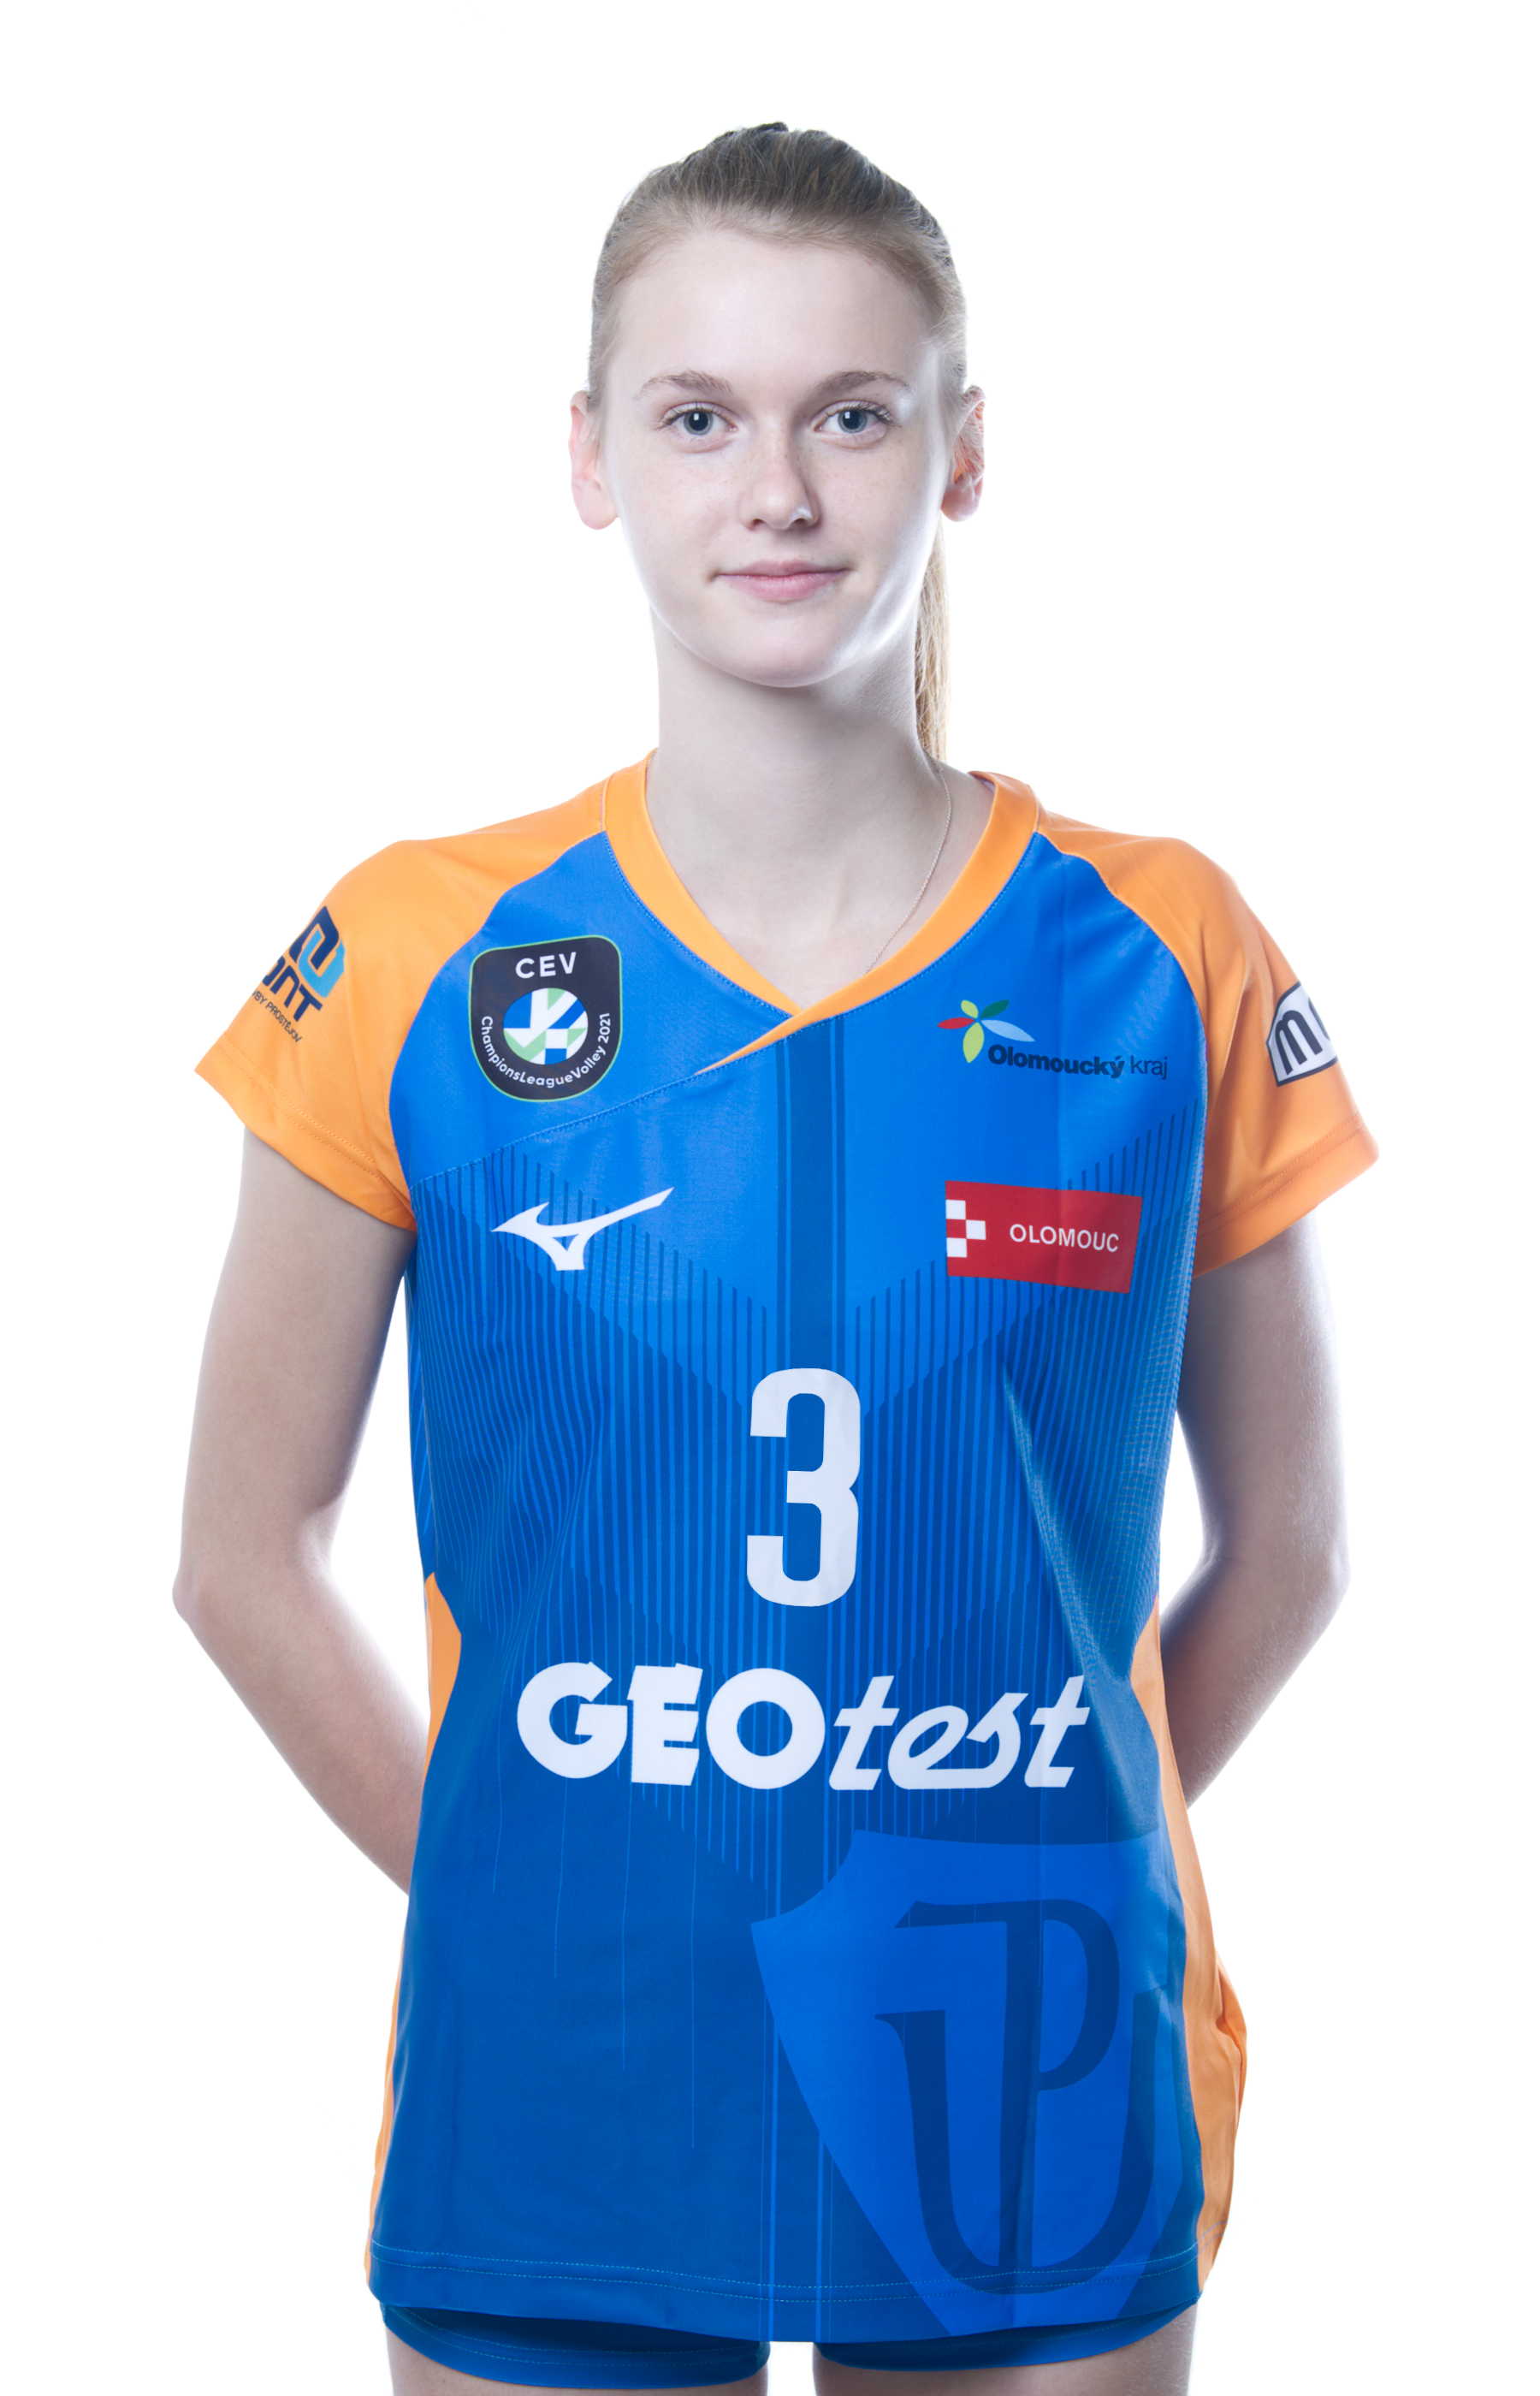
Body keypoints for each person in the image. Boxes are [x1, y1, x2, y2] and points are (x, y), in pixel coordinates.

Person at [176, 124, 1376, 2396]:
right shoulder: (423, 951)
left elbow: (1295, 1552)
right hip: (567, 2068)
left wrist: (1025, 1849)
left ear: (964, 450)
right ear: (591, 459)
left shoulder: (1163, 950)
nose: (781, 491)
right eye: (698, 416)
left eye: (853, 412)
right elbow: (237, 1556)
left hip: (1018, 2056)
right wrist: (543, 1887)